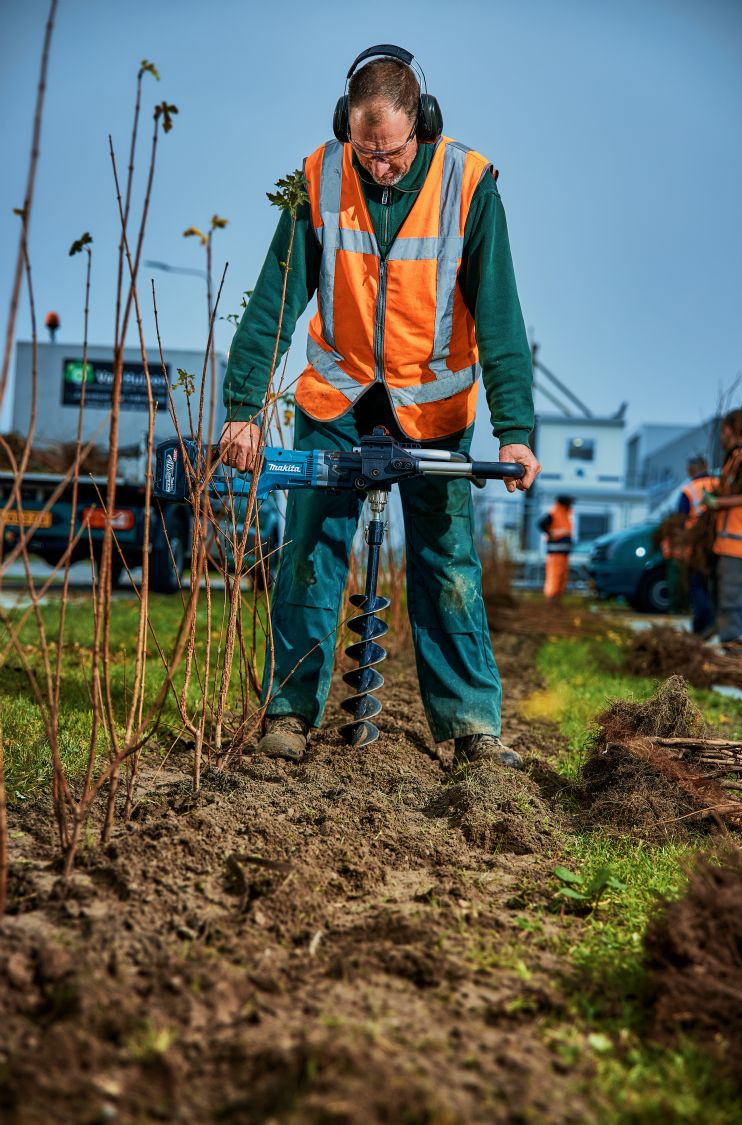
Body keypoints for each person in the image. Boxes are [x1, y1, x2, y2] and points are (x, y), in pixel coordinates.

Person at [218, 45, 540, 767]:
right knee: (308, 552)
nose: (378, 167)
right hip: (338, 395)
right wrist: (243, 403)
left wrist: (515, 430)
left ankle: (469, 727)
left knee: (447, 561)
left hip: (433, 408)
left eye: (390, 153)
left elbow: (500, 315)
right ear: (346, 131)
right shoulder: (320, 178)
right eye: (365, 152)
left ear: (421, 125)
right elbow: (275, 298)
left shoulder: (469, 183)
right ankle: (290, 714)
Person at [703, 409, 742, 653]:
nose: (721, 436)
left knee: (733, 598)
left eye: (723, 430)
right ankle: (731, 642)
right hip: (731, 543)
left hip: (740, 543)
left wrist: (718, 503)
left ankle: (736, 649)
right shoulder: (736, 459)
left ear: (730, 430)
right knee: (728, 596)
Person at [676, 455, 718, 635]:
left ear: (691, 470)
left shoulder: (689, 490)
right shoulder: (719, 484)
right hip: (719, 542)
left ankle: (706, 621)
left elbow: (680, 520)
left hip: (696, 544)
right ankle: (702, 625)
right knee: (712, 584)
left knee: (696, 583)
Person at [538, 496, 574, 602]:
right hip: (555, 553)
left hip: (564, 553)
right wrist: (550, 534)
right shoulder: (553, 513)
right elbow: (540, 524)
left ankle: (557, 598)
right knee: (554, 575)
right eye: (569, 503)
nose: (570, 505)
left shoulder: (566, 514)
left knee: (562, 576)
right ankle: (551, 598)